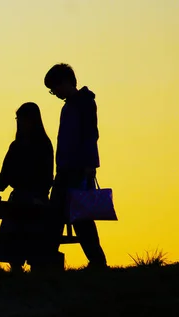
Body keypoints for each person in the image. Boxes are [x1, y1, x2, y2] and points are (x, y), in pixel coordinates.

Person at [44, 63, 108, 269]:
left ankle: (96, 260)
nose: (54, 93)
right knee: (58, 215)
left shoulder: (84, 104)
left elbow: (91, 135)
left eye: (55, 88)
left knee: (78, 217)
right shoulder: (70, 106)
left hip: (78, 169)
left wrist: (89, 165)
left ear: (65, 82)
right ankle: (50, 260)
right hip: (65, 169)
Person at [0, 102, 61, 273]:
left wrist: (40, 195)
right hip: (22, 197)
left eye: (23, 119)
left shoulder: (41, 145)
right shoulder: (19, 145)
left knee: (28, 236)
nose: (20, 123)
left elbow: (46, 175)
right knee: (21, 236)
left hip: (33, 198)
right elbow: (5, 173)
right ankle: (18, 269)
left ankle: (28, 270)